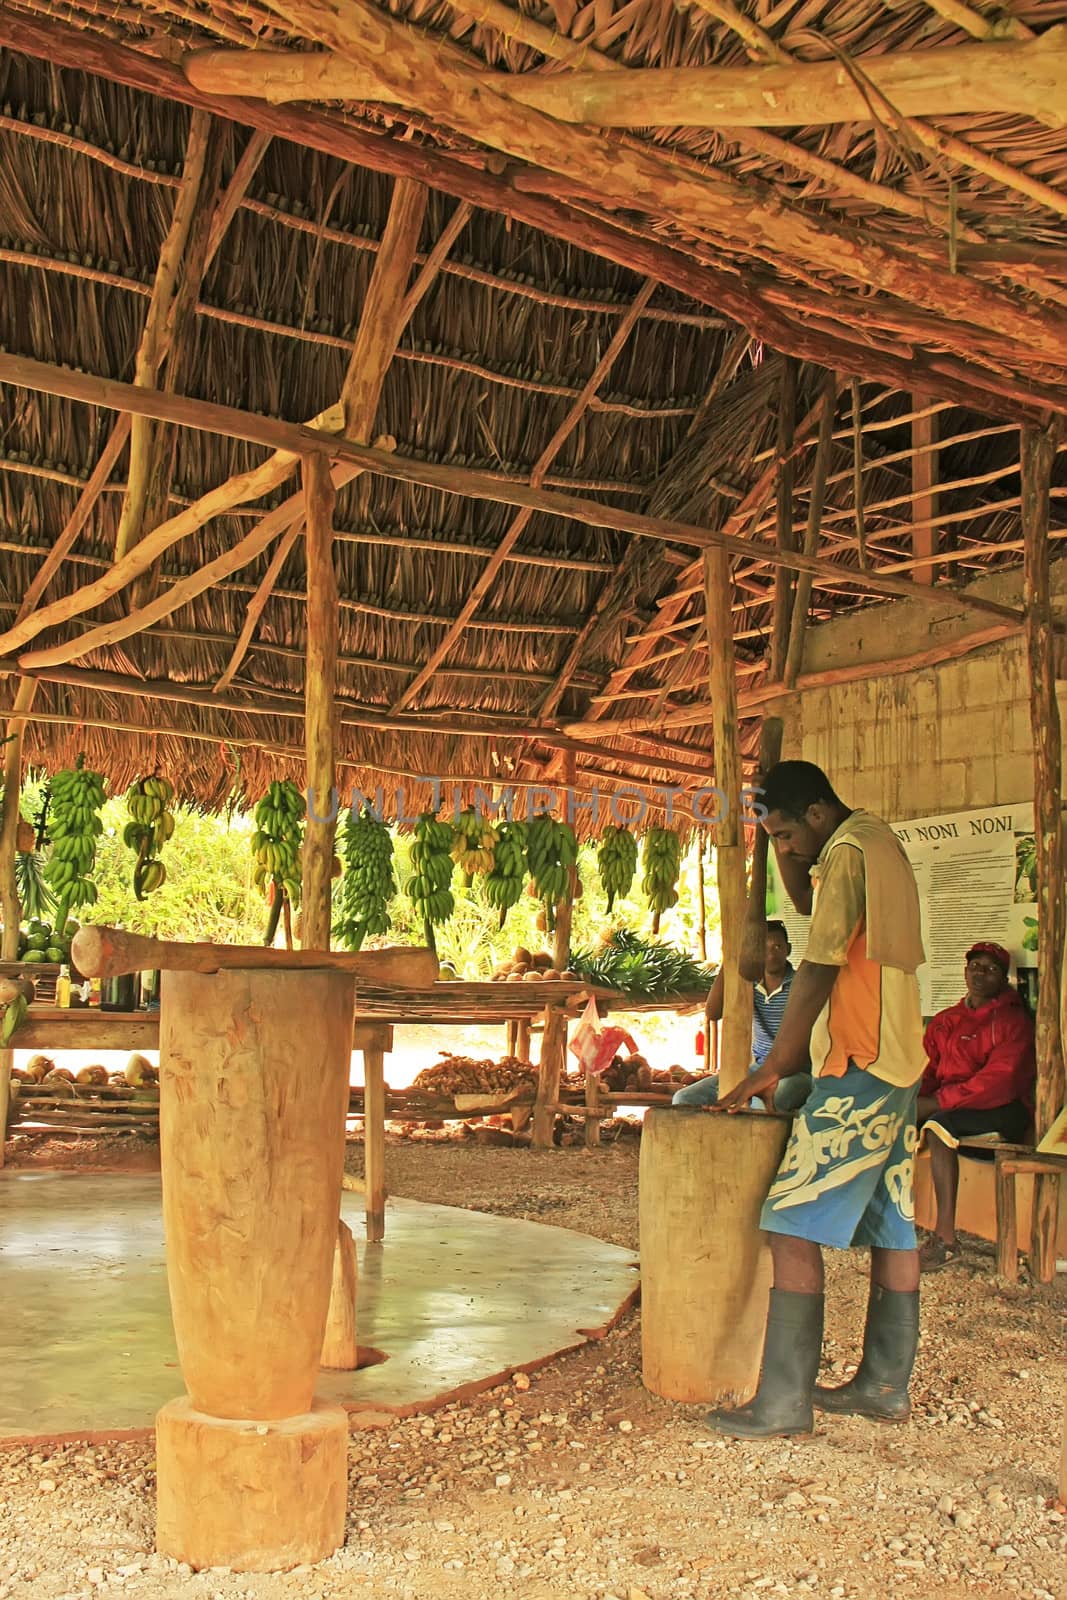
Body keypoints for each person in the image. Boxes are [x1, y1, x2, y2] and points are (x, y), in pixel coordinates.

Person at [705, 760, 926, 1439]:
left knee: (788, 1223)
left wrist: (776, 1061)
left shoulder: (847, 855)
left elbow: (820, 963)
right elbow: (807, 909)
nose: (786, 848)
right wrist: (779, 843)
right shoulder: (870, 840)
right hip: (897, 1059)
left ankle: (781, 1404)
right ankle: (883, 1386)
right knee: (893, 1223)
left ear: (817, 814)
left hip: (858, 1063)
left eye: (787, 833)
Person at [916, 941, 1035, 1272]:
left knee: (939, 1126)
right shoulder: (946, 1020)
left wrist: (935, 1102)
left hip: (1005, 1108)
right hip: (956, 1106)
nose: (981, 974)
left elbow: (999, 1082)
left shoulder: (1013, 1021)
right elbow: (928, 1069)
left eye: (991, 969)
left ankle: (946, 1240)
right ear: (965, 971)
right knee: (894, 1118)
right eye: (975, 966)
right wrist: (914, 1101)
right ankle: (883, 1224)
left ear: (1004, 978)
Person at [672, 922, 812, 1114]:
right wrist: (731, 958)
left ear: (788, 949)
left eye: (777, 947)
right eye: (763, 948)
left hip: (795, 1073)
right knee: (684, 1099)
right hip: (758, 1070)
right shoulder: (748, 985)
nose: (770, 954)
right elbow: (713, 1012)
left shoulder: (801, 984)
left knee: (761, 1106)